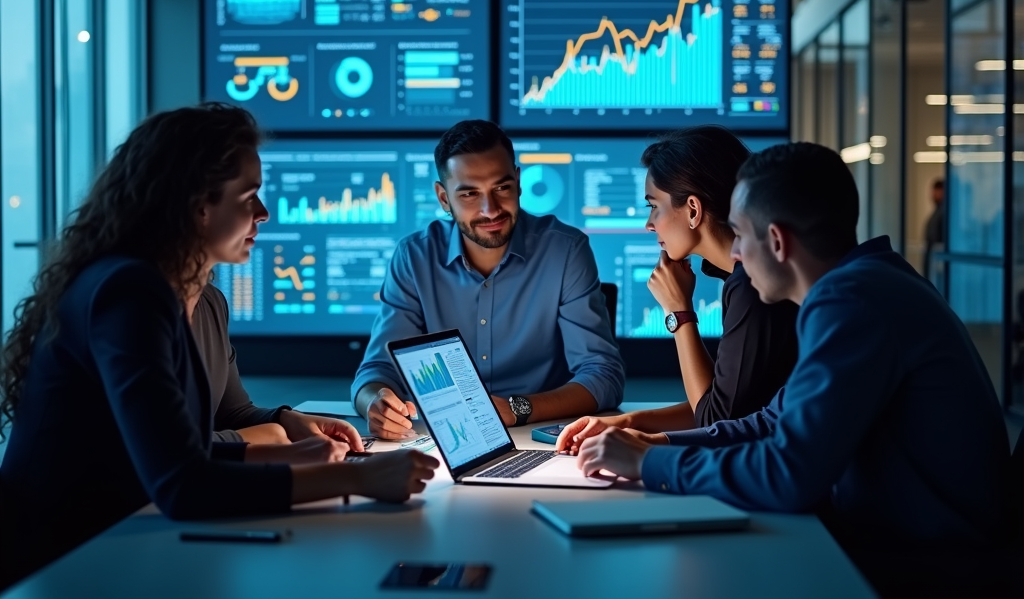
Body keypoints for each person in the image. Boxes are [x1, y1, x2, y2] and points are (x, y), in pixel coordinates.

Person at [0, 105, 438, 588]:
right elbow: (182, 484)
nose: (263, 213)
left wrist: (288, 434)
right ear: (196, 204)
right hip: (68, 560)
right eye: (249, 196)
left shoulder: (198, 295)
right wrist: (358, 480)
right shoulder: (130, 293)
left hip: (130, 536)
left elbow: (212, 428)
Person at [575, 142, 1010, 550]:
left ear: (779, 242)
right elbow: (768, 421)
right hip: (912, 537)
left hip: (931, 563)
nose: (737, 255)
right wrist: (657, 445)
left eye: (741, 235)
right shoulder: (869, 283)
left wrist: (649, 465)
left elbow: (790, 473)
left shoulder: (851, 303)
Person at [352, 120, 625, 439]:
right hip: (443, 439)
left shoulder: (565, 251)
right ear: (443, 198)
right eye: (469, 194)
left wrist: (517, 407)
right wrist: (375, 403)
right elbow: (376, 372)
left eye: (502, 188)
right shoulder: (414, 257)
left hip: (541, 436)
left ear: (519, 182)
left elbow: (604, 376)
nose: (490, 209)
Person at [555, 127, 799, 454]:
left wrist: (678, 312)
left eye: (654, 206)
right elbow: (726, 403)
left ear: (694, 210)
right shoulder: (743, 279)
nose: (649, 224)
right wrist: (627, 422)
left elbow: (715, 418)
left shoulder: (751, 286)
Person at [190, 281, 371, 462]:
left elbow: (231, 414)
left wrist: (284, 420)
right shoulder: (163, 312)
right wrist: (259, 437)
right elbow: (167, 450)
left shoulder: (210, 299)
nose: (252, 249)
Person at [923, 178, 945, 282]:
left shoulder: (944, 213)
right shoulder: (937, 213)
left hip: (938, 259)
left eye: (936, 191)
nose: (933, 194)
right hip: (933, 257)